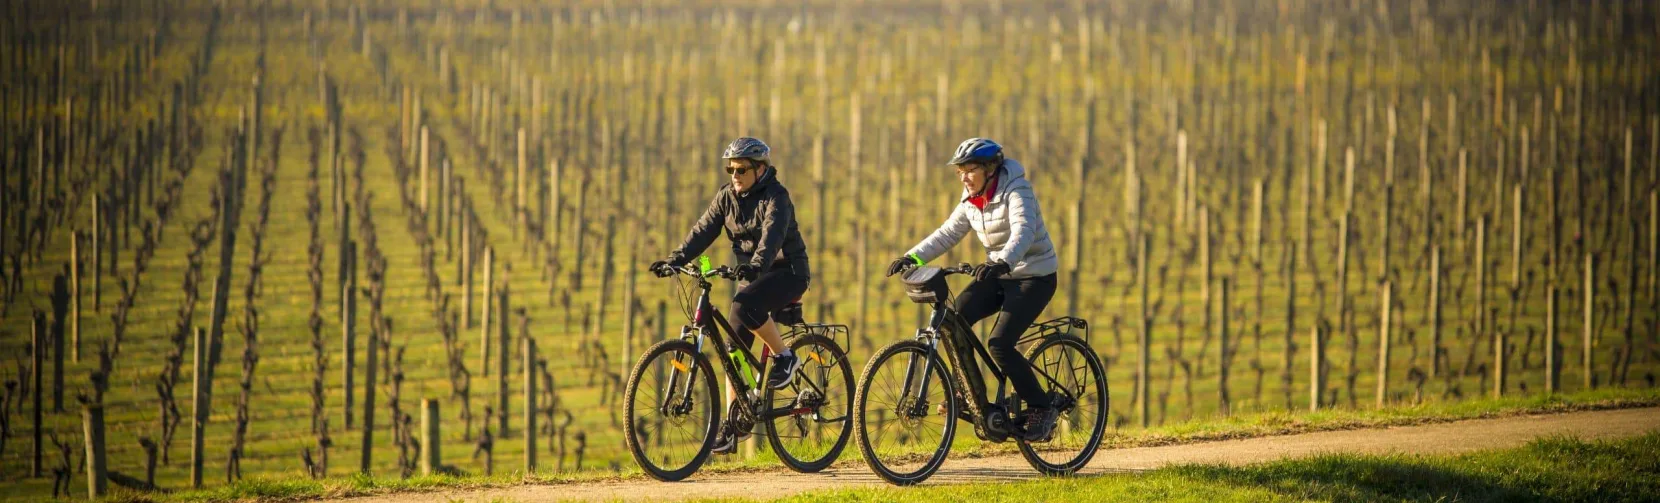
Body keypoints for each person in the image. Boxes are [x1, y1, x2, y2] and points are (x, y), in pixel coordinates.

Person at [886, 137, 1062, 442]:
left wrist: (1004, 261)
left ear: (990, 169)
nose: (964, 177)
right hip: (1000, 273)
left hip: (1034, 277)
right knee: (956, 319)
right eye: (960, 172)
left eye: (970, 170)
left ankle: (1041, 407)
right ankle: (966, 389)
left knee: (1000, 343)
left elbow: (1024, 230)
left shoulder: (1017, 191)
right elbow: (947, 233)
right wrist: (911, 257)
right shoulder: (971, 199)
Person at [650, 137, 811, 454]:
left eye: (741, 169)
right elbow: (703, 231)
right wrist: (676, 260)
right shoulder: (726, 198)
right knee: (730, 351)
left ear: (760, 169)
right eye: (730, 169)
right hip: (750, 276)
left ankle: (786, 357)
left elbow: (772, 236)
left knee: (745, 305)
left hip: (787, 272)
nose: (734, 175)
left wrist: (755, 266)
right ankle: (733, 423)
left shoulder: (777, 197)